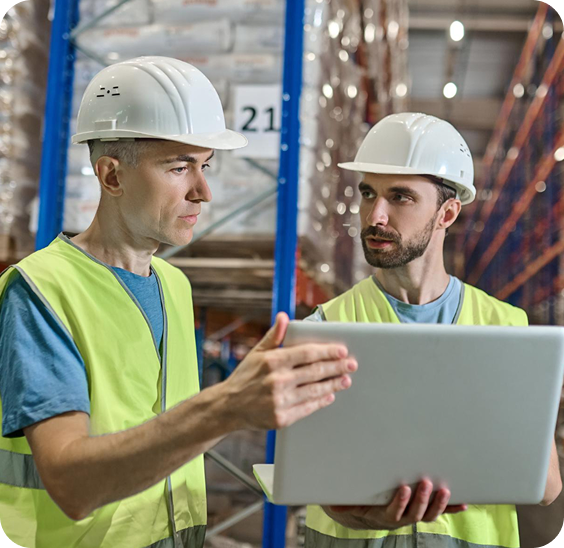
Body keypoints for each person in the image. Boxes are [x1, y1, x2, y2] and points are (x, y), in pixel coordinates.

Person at [0, 57, 358, 548]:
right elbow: (70, 484)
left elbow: (170, 437)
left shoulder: (173, 284)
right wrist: (229, 406)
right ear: (111, 176)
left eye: (205, 165)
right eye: (179, 167)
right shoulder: (41, 290)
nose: (203, 191)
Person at [304, 112, 563, 548]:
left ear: (447, 213)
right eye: (368, 194)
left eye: (400, 197)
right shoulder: (324, 327)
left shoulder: (507, 329)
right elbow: (312, 475)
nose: (375, 216)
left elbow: (546, 486)